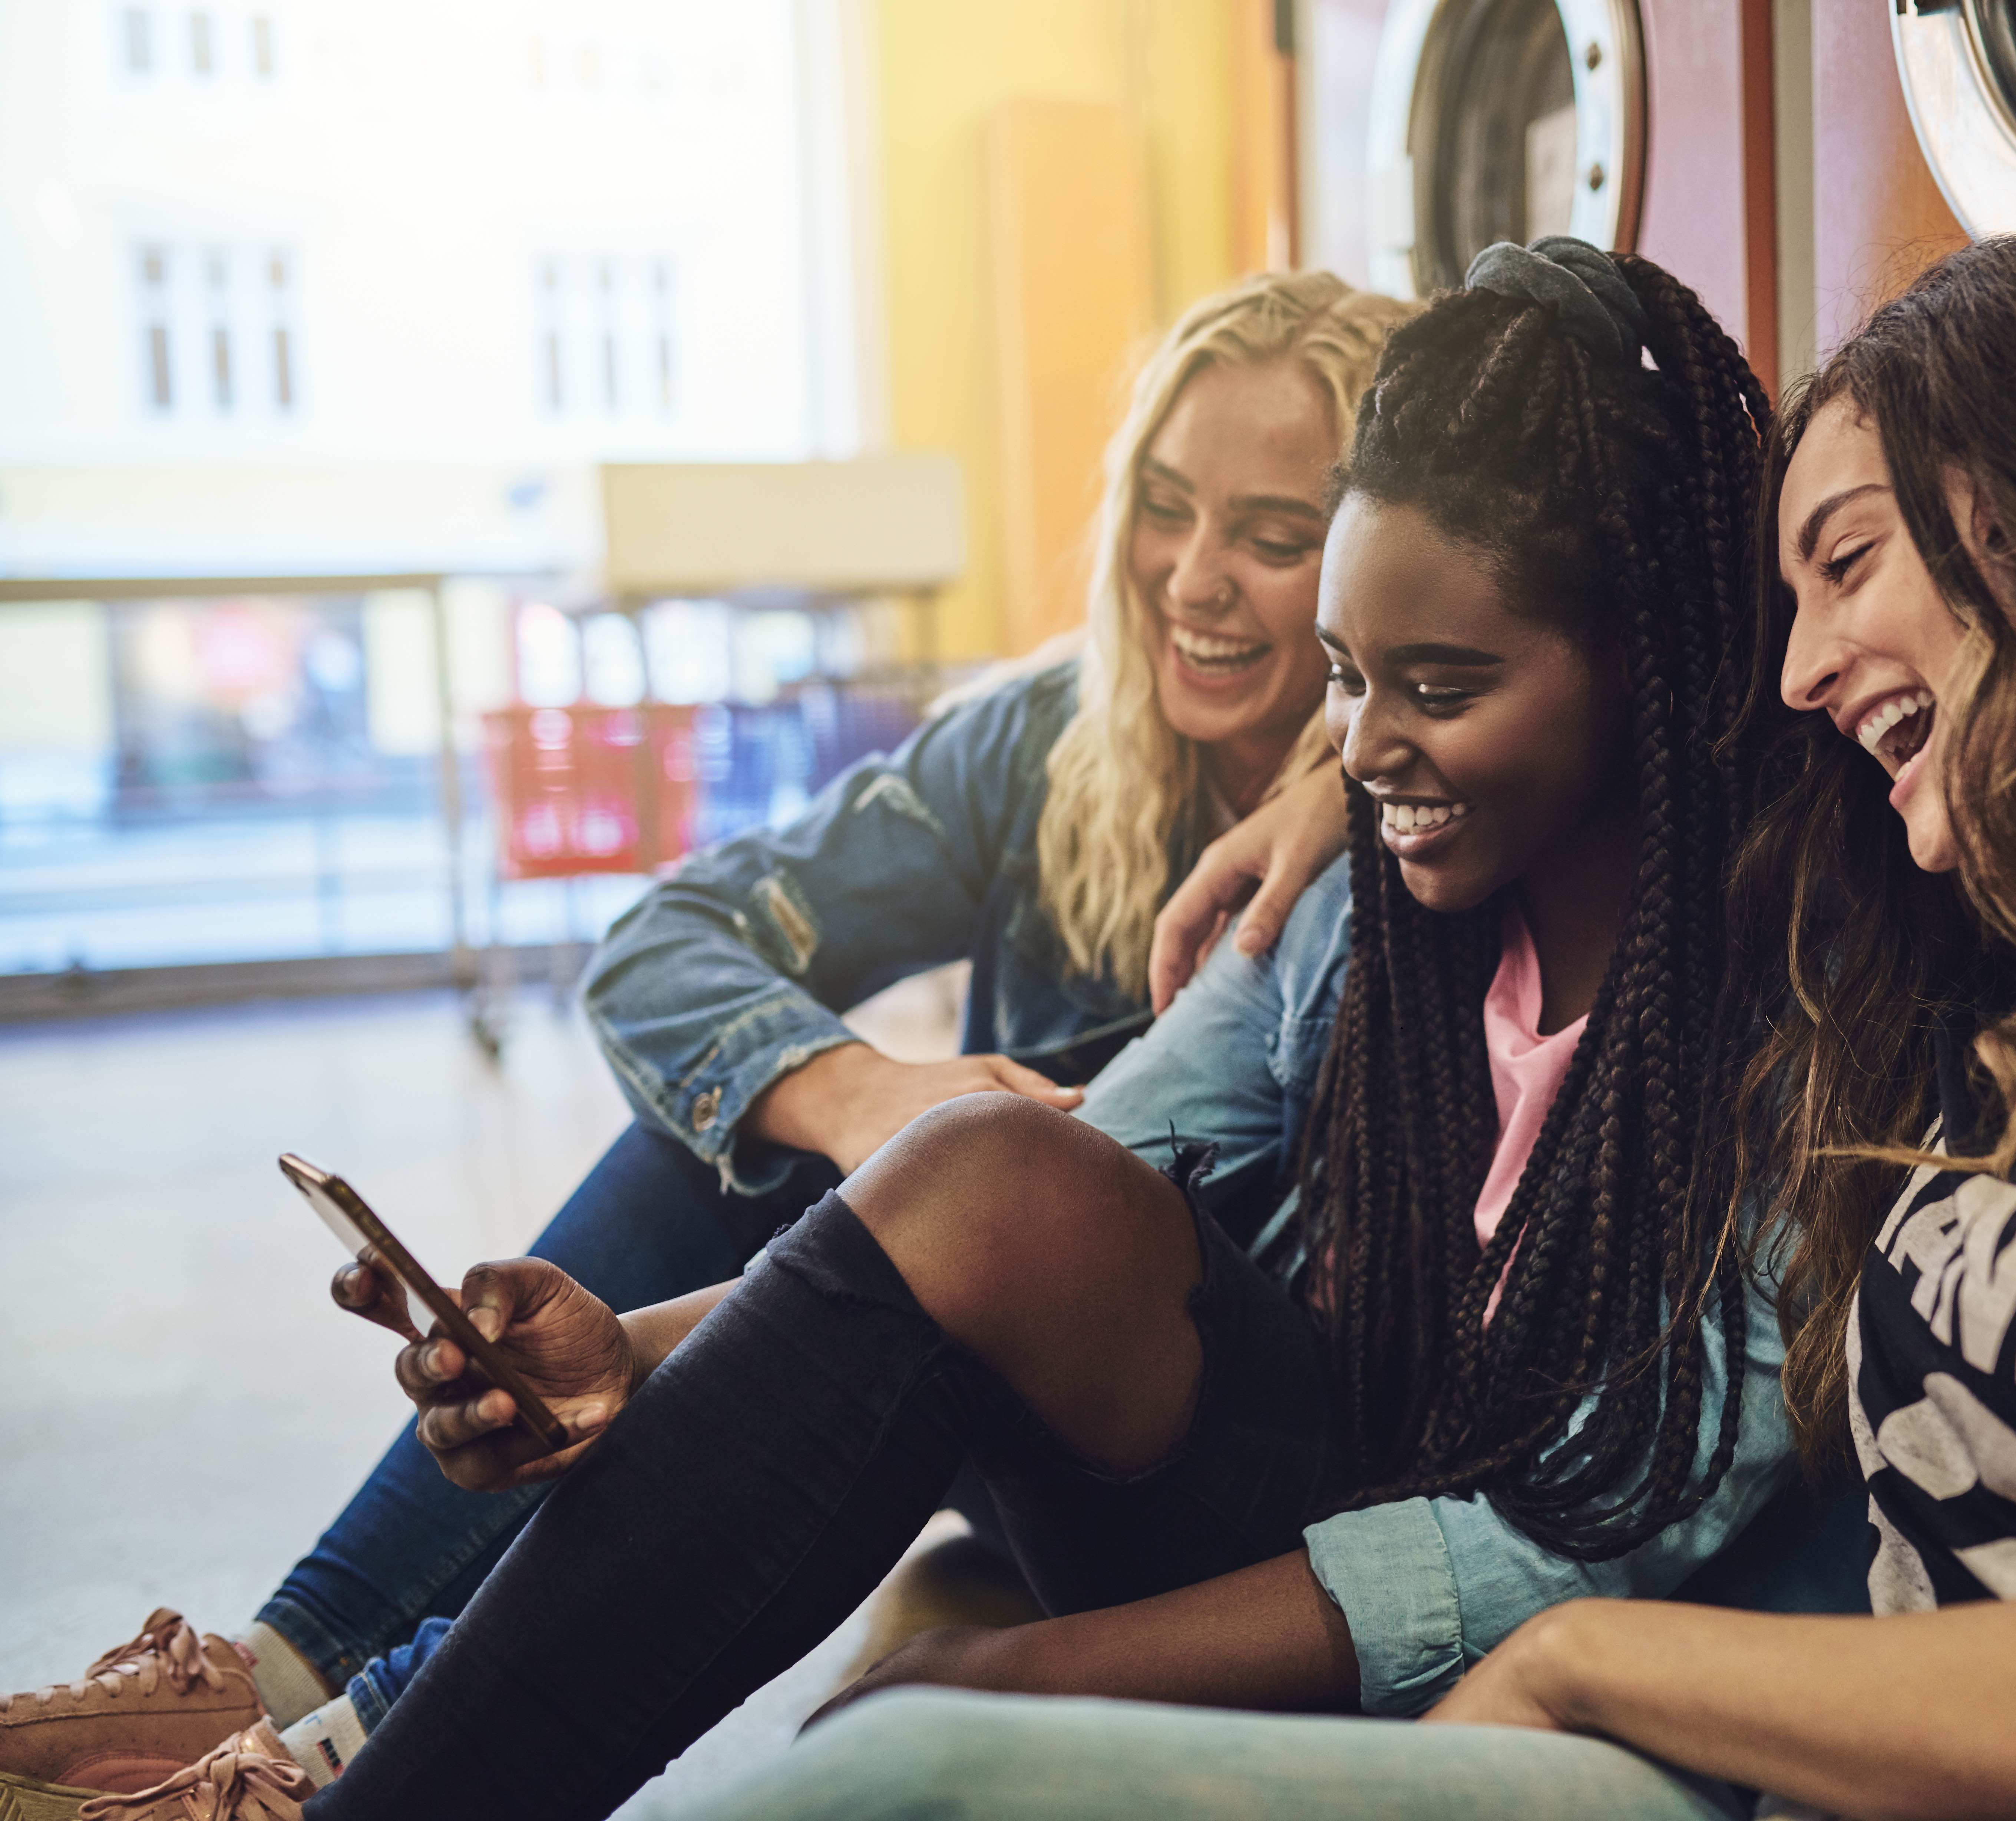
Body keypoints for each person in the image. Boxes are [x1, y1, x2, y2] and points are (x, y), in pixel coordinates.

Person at [645, 232, 2016, 1821]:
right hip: (1793, 1766)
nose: (1802, 666)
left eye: (1849, 565)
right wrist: (1350, 750)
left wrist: (1591, 1665)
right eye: (1782, 598)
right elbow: (1664, 709)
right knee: (919, 1654)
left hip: (1752, 1735)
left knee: (921, 1773)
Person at [66, 238, 1800, 1821]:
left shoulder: (1790, 1020)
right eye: (1348, 678)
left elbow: (1557, 1554)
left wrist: (1015, 1672)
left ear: (1649, 661)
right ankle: (348, 1747)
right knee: (976, 1164)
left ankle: (347, 1750)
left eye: (1434, 686)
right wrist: (642, 1350)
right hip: (1277, 1458)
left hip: (1452, 1579)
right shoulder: (1340, 896)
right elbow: (1064, 1170)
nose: (1353, 749)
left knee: (967, 1200)